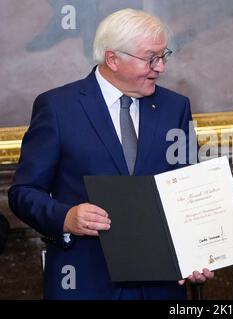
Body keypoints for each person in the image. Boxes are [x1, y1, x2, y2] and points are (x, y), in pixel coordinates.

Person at [8, 8, 213, 300]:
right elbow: (24, 192)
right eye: (150, 58)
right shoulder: (57, 107)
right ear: (113, 59)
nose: (161, 67)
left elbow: (189, 189)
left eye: (163, 55)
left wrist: (200, 251)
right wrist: (65, 217)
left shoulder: (175, 107)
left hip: (159, 285)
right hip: (84, 281)